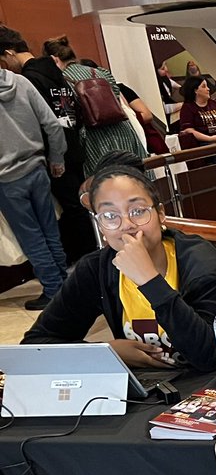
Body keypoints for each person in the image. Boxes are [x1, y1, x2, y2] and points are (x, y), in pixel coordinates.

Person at [23, 163, 216, 371]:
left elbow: (213, 357)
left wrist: (149, 280)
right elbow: (36, 345)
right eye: (110, 216)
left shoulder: (203, 262)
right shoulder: (96, 268)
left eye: (137, 211)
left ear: (160, 213)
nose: (126, 225)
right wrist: (107, 351)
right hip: (150, 391)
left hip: (211, 384)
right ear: (100, 226)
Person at [0, 25, 96, 268]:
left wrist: (55, 158)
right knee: (66, 216)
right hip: (68, 149)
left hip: (41, 161)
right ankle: (82, 267)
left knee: (38, 232)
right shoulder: (54, 71)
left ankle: (63, 278)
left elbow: (47, 124)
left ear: (9, 53)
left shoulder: (28, 79)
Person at [0, 63, 69, 311]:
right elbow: (52, 123)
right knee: (50, 231)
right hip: (38, 168)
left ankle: (53, 290)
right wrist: (57, 158)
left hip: (7, 179)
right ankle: (64, 286)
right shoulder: (21, 82)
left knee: (32, 238)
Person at [44, 37, 147, 176]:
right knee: (135, 176)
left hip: (93, 138)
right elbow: (116, 97)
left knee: (105, 181)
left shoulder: (61, 81)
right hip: (122, 131)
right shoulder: (101, 72)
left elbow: (68, 117)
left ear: (53, 59)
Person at [178, 75, 216, 164]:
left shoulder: (215, 104)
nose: (208, 89)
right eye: (204, 86)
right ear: (195, 91)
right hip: (205, 142)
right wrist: (210, 139)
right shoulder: (188, 108)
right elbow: (189, 130)